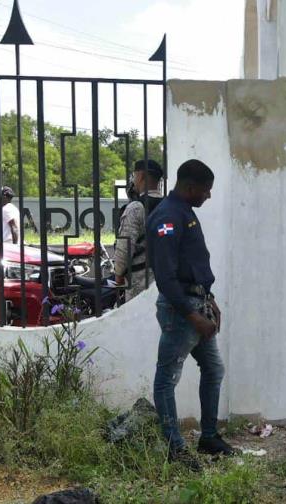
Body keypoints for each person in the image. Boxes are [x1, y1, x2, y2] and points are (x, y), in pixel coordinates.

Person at [147, 159, 232, 471]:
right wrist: (191, 314)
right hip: (180, 312)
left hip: (197, 306)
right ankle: (175, 449)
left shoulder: (184, 213)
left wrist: (210, 302)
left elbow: (193, 266)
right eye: (206, 190)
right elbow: (166, 276)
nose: (208, 196)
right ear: (190, 187)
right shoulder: (167, 217)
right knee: (166, 378)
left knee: (213, 370)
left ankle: (208, 437)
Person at [114, 159, 166, 302]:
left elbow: (125, 245)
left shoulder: (136, 207)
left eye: (134, 175)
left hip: (141, 282)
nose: (133, 180)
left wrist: (118, 273)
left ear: (141, 176)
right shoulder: (170, 206)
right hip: (168, 280)